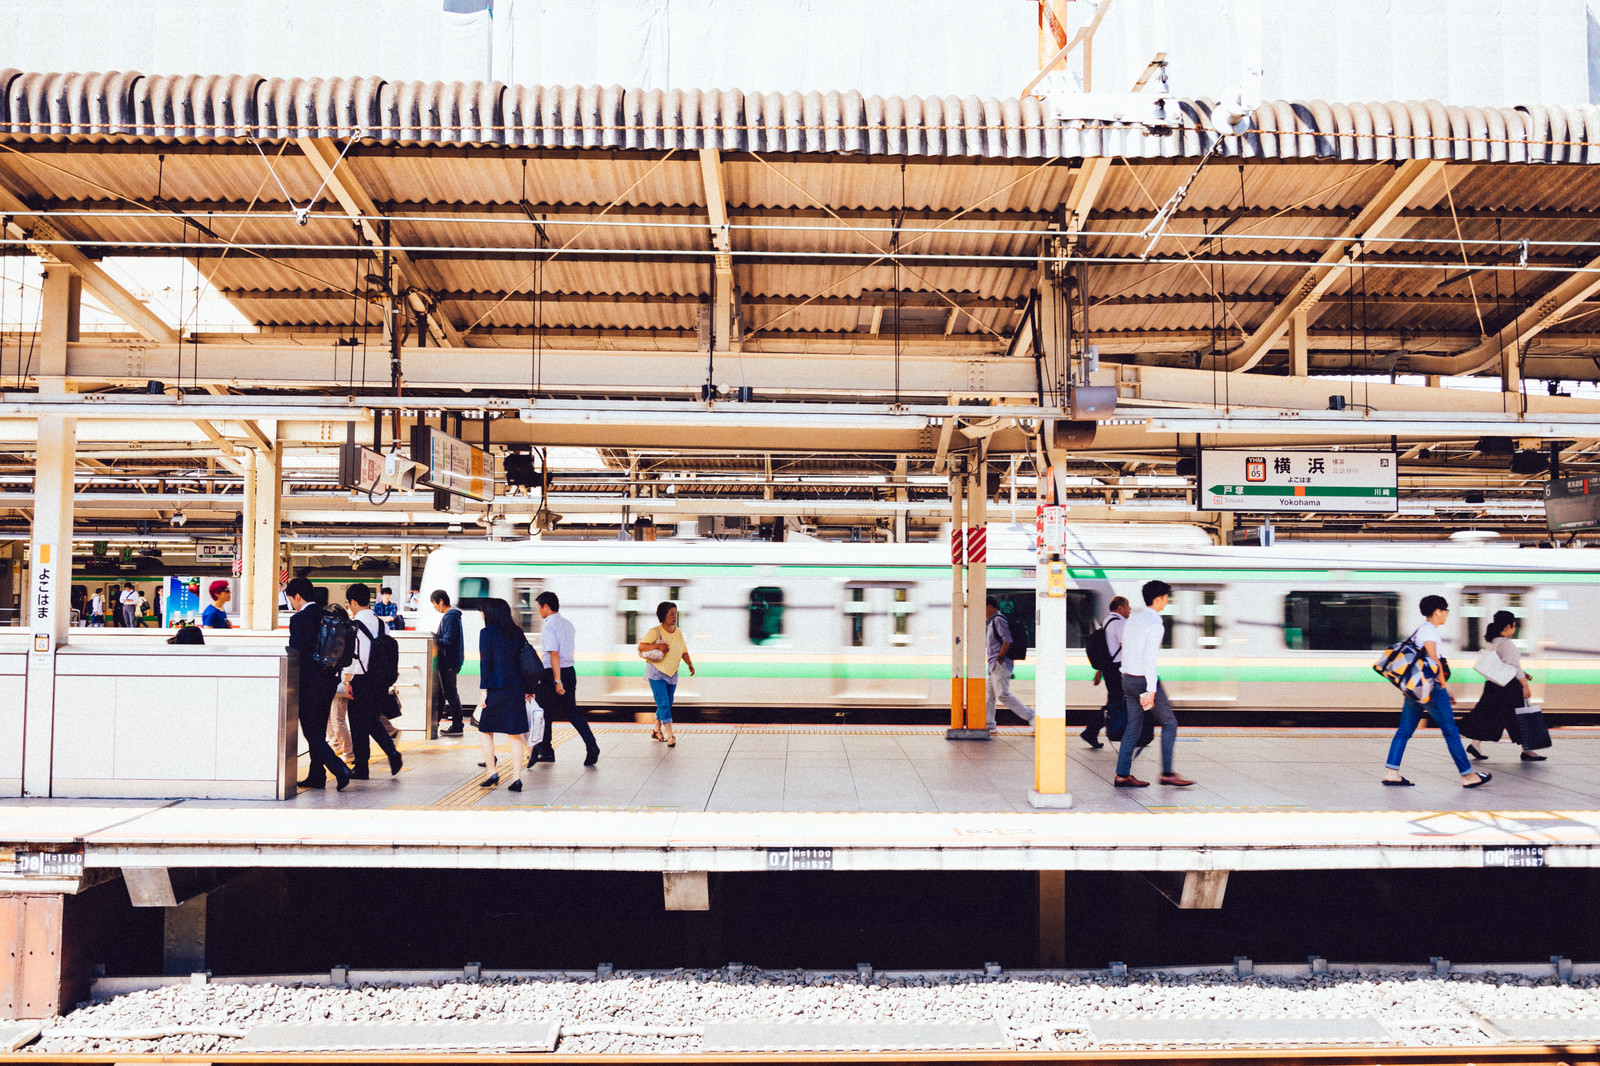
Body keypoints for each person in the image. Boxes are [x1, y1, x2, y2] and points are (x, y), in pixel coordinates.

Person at [1382, 595, 1490, 789]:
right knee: (1451, 731)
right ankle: (1467, 775)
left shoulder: (1420, 631)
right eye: (1446, 610)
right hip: (1431, 689)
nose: (1447, 614)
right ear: (1437, 611)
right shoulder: (1430, 631)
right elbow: (1434, 661)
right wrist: (1444, 686)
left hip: (1415, 690)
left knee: (1404, 730)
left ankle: (1392, 772)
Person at [1113, 580, 1195, 788]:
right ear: (1158, 598)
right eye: (1166, 598)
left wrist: (1128, 676)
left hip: (1128, 679)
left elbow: (1126, 648)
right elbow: (1150, 659)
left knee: (1133, 727)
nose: (1167, 602)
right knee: (1169, 723)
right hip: (1143, 682)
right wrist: (1151, 689)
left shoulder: (1134, 618)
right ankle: (1167, 773)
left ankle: (1122, 775)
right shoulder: (1154, 623)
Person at [285, 577, 351, 791]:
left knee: (311, 733)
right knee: (319, 731)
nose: (293, 605)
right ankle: (317, 775)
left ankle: (338, 768)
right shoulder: (326, 615)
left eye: (292, 600)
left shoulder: (299, 620)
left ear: (297, 597)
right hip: (329, 681)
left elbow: (296, 653)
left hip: (309, 685)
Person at [1460, 609, 1546, 763]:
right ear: (1507, 626)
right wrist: (1525, 686)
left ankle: (1475, 744)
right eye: (1513, 626)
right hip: (1508, 688)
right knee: (1518, 716)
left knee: (1488, 716)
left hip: (1493, 685)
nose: (1514, 629)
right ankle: (1527, 750)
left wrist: (1522, 673)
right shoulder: (1507, 644)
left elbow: (1501, 664)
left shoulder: (1492, 642)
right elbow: (1514, 667)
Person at [530, 590, 600, 766]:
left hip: (553, 674)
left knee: (543, 711)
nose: (539, 611)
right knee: (572, 712)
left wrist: (557, 680)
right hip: (569, 671)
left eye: (539, 607)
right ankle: (591, 745)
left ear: (546, 606)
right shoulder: (568, 624)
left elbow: (554, 653)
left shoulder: (548, 626)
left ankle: (546, 750)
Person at [342, 583, 403, 780]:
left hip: (361, 680)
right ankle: (392, 754)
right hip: (379, 680)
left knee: (359, 724)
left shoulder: (353, 626)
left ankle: (362, 767)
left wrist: (346, 680)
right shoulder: (381, 624)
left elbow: (353, 657)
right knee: (371, 720)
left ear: (352, 602)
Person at [476, 597, 534, 790]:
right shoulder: (516, 632)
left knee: (485, 730)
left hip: (495, 688)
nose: (482, 615)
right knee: (515, 735)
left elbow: (486, 663)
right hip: (516, 688)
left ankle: (492, 772)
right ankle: (516, 778)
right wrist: (528, 689)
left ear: (490, 613)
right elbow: (524, 662)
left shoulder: (487, 633)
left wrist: (483, 691)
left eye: (483, 612)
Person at [638, 600, 695, 748]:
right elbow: (641, 647)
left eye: (676, 614)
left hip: (672, 673)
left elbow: (683, 650)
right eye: (671, 614)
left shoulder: (678, 632)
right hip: (656, 673)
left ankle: (655, 730)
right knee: (663, 704)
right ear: (663, 615)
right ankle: (671, 735)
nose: (674, 616)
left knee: (667, 703)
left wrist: (689, 664)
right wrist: (658, 645)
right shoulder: (654, 631)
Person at [1084, 595, 1131, 749]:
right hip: (1117, 669)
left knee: (1115, 701)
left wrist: (1099, 671)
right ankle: (1094, 731)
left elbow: (1105, 649)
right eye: (1127, 606)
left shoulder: (1107, 621)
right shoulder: (1120, 623)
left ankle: (1093, 731)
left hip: (1109, 669)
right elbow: (1126, 645)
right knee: (1116, 702)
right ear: (1120, 608)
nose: (1129, 609)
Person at [983, 596, 1035, 732]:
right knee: (989, 696)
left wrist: (1000, 657)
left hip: (1001, 664)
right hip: (993, 665)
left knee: (1002, 695)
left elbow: (1007, 640)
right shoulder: (992, 621)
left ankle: (1031, 716)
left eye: (983, 607)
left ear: (990, 606)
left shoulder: (998, 620)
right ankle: (988, 724)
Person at [432, 589, 467, 735]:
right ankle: (436, 723)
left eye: (434, 603)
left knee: (450, 693)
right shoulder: (452, 616)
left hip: (449, 662)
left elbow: (448, 640)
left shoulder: (450, 617)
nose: (434, 607)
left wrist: (434, 639)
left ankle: (457, 725)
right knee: (444, 694)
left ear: (440, 601)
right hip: (450, 661)